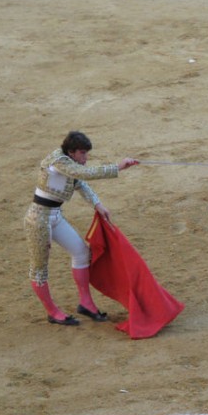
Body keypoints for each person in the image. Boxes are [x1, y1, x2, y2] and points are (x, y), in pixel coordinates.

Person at [24, 131, 138, 326]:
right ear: (71, 152)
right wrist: (118, 167)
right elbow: (85, 174)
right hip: (38, 220)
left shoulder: (70, 163)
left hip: (55, 216)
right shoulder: (59, 162)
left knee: (81, 252)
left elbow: (80, 183)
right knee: (40, 269)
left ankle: (86, 303)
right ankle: (52, 312)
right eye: (83, 154)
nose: (85, 158)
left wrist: (97, 204)